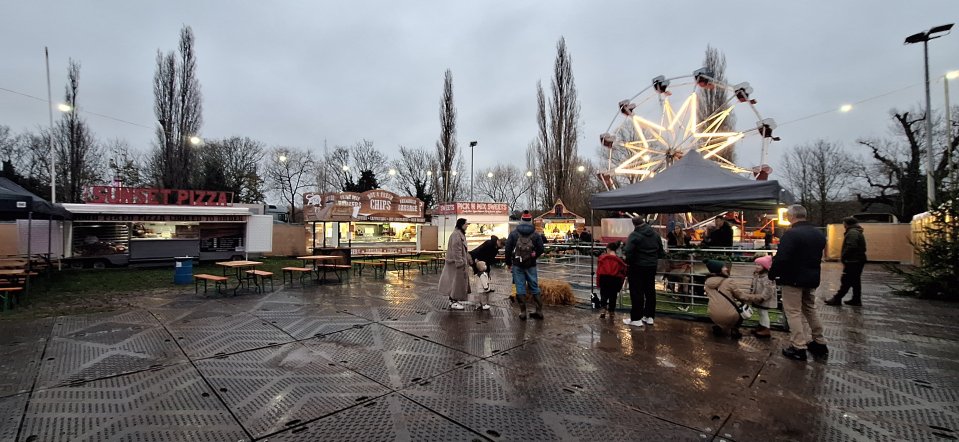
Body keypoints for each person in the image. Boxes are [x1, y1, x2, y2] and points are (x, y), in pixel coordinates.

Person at [768, 205, 828, 361]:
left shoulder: (791, 234)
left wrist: (772, 274)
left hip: (793, 278)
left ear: (790, 216)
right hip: (812, 278)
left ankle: (798, 346)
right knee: (810, 308)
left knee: (793, 312)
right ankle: (819, 342)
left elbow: (782, 258)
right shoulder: (818, 234)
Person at [704, 260, 764, 339]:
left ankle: (719, 326)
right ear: (718, 270)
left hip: (712, 314)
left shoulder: (707, 282)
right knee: (741, 312)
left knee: (721, 310)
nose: (726, 269)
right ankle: (734, 330)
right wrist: (758, 297)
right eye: (723, 267)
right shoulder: (728, 281)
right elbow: (741, 296)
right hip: (729, 315)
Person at [623, 216, 665, 327]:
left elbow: (628, 251)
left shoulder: (634, 235)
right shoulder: (656, 235)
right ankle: (649, 316)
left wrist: (629, 260)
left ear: (634, 225)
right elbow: (661, 252)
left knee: (637, 292)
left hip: (637, 267)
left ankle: (636, 318)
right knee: (650, 291)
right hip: (651, 266)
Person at [505, 211, 546, 320]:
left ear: (521, 220)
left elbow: (508, 249)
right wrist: (534, 255)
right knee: (534, 287)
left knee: (520, 288)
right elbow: (541, 249)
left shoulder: (514, 233)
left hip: (517, 265)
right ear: (530, 221)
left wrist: (509, 263)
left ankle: (523, 313)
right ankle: (539, 311)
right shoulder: (535, 234)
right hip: (531, 265)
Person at [825, 217, 867, 307]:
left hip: (853, 260)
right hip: (858, 260)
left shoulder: (852, 233)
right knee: (855, 281)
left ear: (847, 224)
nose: (843, 225)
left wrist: (844, 256)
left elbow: (851, 246)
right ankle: (856, 299)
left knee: (846, 280)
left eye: (843, 223)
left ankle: (837, 298)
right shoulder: (856, 231)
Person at [438, 218, 473, 310]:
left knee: (455, 283)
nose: (466, 226)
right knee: (455, 283)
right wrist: (460, 262)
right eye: (466, 224)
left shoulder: (458, 234)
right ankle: (453, 301)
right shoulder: (456, 235)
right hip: (456, 265)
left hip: (456, 264)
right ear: (461, 225)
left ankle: (454, 300)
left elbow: (462, 250)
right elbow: (456, 250)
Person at [470, 235, 504, 310]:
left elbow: (491, 257)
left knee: (486, 273)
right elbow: (480, 251)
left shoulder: (495, 246)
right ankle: (482, 287)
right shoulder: (489, 244)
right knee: (481, 275)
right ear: (499, 242)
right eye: (501, 245)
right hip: (479, 260)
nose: (500, 247)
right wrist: (476, 260)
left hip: (485, 261)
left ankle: (486, 286)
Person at [596, 241, 627, 319]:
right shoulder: (620, 261)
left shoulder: (602, 258)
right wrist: (620, 284)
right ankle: (611, 312)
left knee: (603, 295)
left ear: (608, 249)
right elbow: (623, 273)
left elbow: (598, 271)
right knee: (613, 296)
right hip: (615, 280)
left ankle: (603, 310)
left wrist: (598, 282)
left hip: (604, 278)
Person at [750, 255, 777, 338]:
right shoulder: (758, 275)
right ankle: (762, 326)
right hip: (758, 298)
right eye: (756, 265)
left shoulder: (767, 277)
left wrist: (762, 297)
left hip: (764, 299)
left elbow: (769, 290)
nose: (756, 267)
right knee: (760, 312)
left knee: (764, 313)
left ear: (765, 267)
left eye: (759, 265)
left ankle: (766, 329)